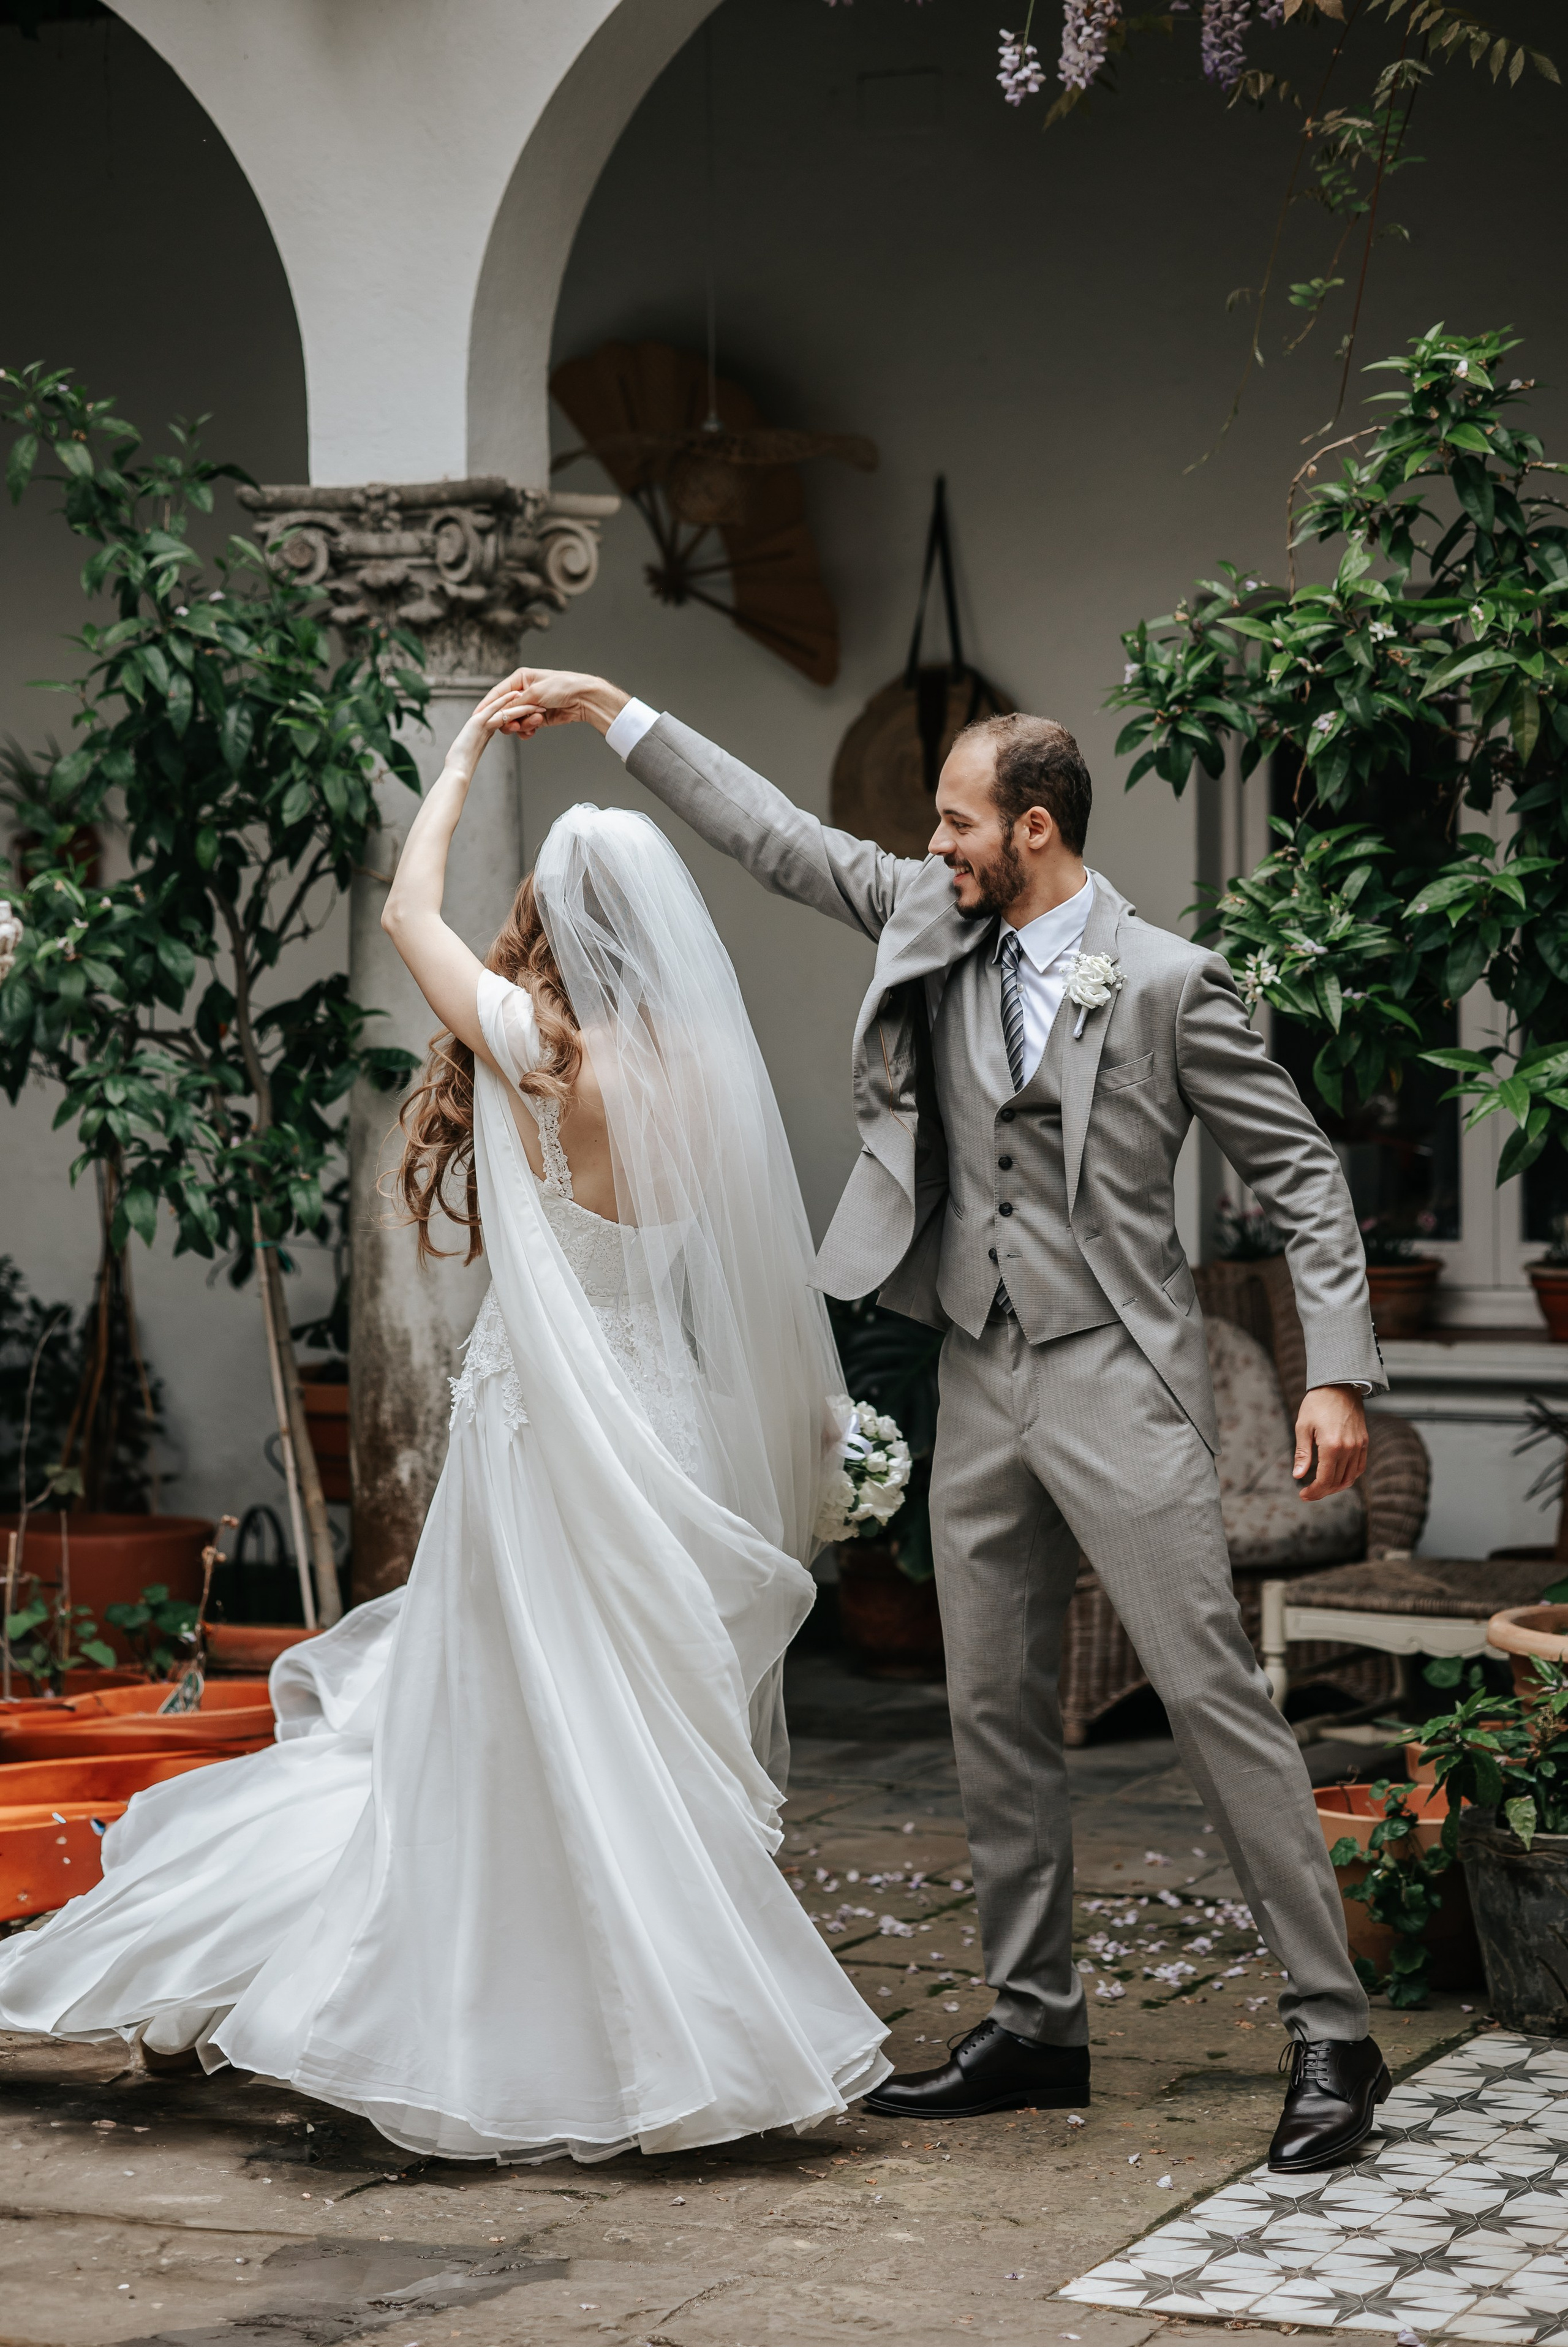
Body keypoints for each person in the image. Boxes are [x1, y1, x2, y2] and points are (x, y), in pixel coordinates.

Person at [495, 669, 1391, 2177]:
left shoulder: (1169, 981)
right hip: (978, 1372)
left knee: (1207, 1694)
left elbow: (1301, 1177)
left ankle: (1330, 2033)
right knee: (985, 1707)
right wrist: (618, 715)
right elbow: (774, 837)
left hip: (1120, 1375)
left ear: (1030, 830)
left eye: (957, 824)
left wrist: (1334, 1371)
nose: (934, 846)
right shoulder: (926, 921)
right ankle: (1036, 2027)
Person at [0, 679, 890, 2163]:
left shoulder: (541, 1054)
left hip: (542, 1431)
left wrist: (466, 753)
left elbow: (413, 908)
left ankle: (482, 2007)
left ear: (552, 918)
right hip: (654, 1422)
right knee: (631, 1731)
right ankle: (662, 2031)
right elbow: (742, 1291)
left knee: (507, 1723)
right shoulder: (708, 1082)